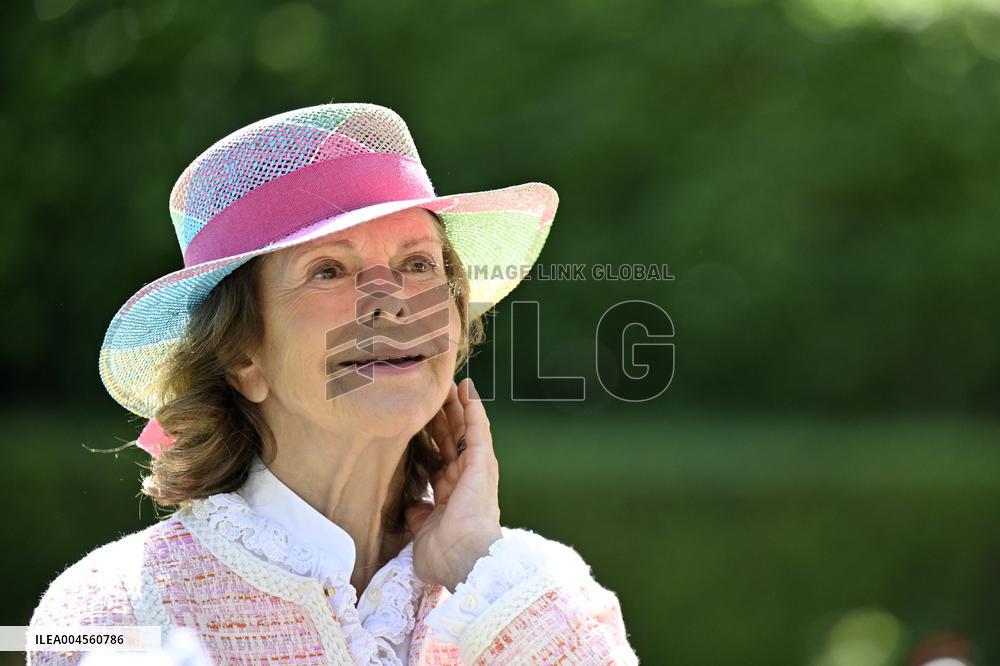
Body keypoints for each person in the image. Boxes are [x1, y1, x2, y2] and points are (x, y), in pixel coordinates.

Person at [28, 103, 639, 665]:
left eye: (418, 264)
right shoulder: (112, 612)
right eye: (329, 270)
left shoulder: (525, 587)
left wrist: (475, 557)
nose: (392, 303)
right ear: (244, 355)